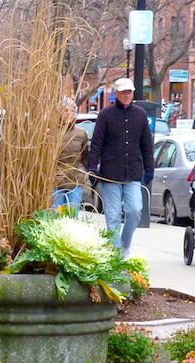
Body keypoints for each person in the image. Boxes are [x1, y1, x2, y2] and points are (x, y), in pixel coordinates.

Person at [86, 77, 154, 256]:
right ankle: (116, 254)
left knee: (135, 210)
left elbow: (146, 144)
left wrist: (150, 168)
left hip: (132, 172)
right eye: (123, 92)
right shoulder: (106, 115)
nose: (126, 95)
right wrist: (92, 167)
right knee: (113, 214)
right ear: (116, 93)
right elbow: (97, 143)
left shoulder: (140, 115)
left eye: (129, 92)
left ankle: (125, 242)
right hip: (110, 173)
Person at [53, 98, 89, 215]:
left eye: (72, 111)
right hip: (56, 180)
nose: (69, 114)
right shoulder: (50, 133)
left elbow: (85, 156)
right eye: (65, 110)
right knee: (57, 216)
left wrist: (83, 172)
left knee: (73, 215)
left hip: (75, 179)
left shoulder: (81, 133)